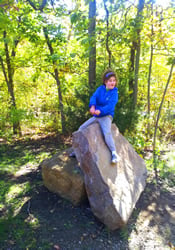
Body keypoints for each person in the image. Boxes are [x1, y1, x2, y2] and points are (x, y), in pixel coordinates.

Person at [71, 70, 120, 164]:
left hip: (106, 116)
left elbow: (110, 106)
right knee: (81, 128)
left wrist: (100, 111)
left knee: (107, 133)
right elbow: (94, 97)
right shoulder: (100, 89)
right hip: (96, 116)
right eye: (110, 80)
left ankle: (114, 153)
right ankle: (77, 150)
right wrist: (92, 106)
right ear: (105, 82)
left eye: (114, 80)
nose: (112, 82)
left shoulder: (114, 93)